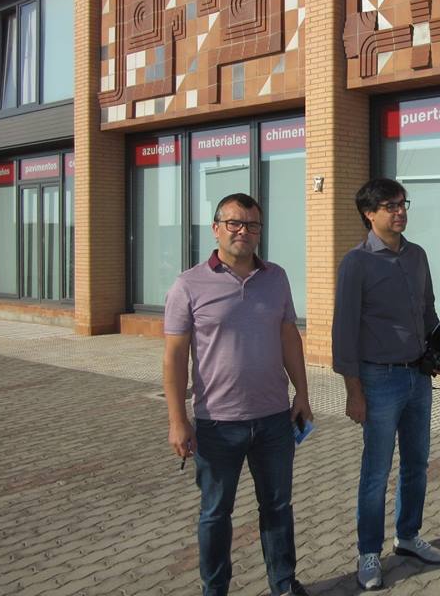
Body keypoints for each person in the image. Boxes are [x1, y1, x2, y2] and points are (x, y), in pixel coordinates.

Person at [163, 193, 312, 596]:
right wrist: (178, 420)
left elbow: (289, 337)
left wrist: (302, 394)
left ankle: (283, 583)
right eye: (234, 223)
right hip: (217, 423)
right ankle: (215, 589)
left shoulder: (276, 277)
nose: (243, 231)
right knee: (215, 514)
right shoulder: (188, 284)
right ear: (216, 229)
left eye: (252, 225)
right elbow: (174, 357)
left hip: (273, 419)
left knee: (278, 507)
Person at [332, 178, 440, 591]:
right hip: (378, 379)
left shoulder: (417, 255)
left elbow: (428, 309)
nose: (400, 212)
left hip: (418, 377)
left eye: (402, 204)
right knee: (376, 471)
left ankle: (408, 535)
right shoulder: (357, 263)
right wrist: (353, 391)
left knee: (417, 463)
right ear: (369, 214)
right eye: (390, 206)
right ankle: (368, 551)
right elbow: (344, 330)